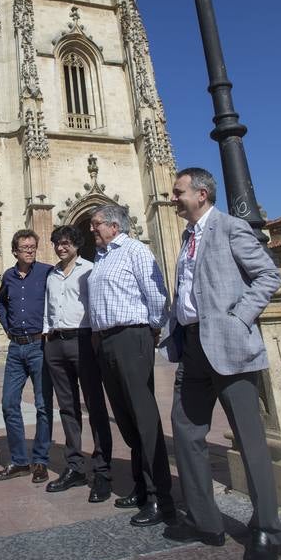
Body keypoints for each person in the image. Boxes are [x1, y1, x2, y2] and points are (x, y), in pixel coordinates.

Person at [160, 168, 281, 560]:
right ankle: (205, 521)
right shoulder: (187, 235)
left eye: (178, 192)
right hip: (193, 348)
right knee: (186, 431)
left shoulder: (230, 227)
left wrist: (239, 318)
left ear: (201, 193)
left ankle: (267, 528)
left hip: (228, 345)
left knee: (250, 441)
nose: (173, 197)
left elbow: (268, 275)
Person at [87, 204, 174, 526]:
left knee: (143, 417)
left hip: (131, 336)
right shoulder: (103, 256)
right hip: (108, 341)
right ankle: (141, 487)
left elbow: (156, 294)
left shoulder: (135, 250)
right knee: (125, 418)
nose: (91, 229)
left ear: (113, 225)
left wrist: (149, 330)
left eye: (96, 224)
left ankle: (159, 498)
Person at [43, 226, 113, 503]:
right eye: (57, 243)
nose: (61, 247)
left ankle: (102, 469)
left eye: (66, 243)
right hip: (56, 343)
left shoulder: (89, 270)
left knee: (95, 405)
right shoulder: (52, 274)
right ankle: (74, 467)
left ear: (76, 244)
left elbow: (95, 304)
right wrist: (48, 333)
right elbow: (49, 308)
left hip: (83, 340)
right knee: (67, 408)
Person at [0, 229, 53, 484]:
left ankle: (40, 461)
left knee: (42, 406)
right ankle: (19, 461)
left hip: (40, 346)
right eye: (24, 247)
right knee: (9, 404)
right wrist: (7, 328)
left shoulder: (47, 272)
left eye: (32, 246)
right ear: (15, 251)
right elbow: (1, 303)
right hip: (16, 348)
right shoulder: (8, 276)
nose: (29, 250)